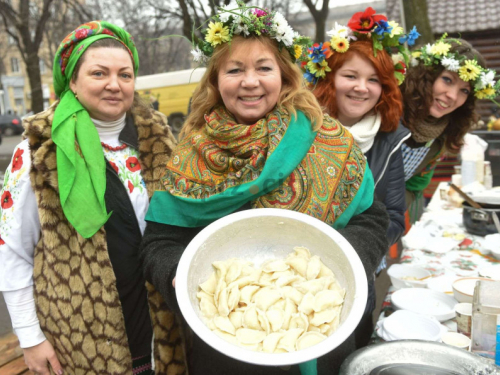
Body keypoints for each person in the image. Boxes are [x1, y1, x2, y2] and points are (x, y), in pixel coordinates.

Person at [141, 5, 389, 375]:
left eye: (263, 67)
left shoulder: (331, 141)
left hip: (321, 333)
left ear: (285, 77)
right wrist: (179, 273)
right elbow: (158, 243)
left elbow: (373, 217)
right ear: (215, 80)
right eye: (235, 69)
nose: (250, 81)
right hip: (229, 342)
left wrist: (338, 262)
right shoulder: (191, 153)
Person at [0, 21, 186, 375]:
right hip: (82, 339)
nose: (114, 85)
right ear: (72, 81)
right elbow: (10, 250)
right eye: (99, 73)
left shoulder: (161, 144)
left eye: (125, 75)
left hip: (162, 331)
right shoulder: (38, 153)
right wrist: (29, 337)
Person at [305, 8, 415, 348]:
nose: (361, 88)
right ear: (329, 78)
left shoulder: (390, 139)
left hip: (355, 270)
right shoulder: (301, 130)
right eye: (350, 76)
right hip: (296, 265)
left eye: (373, 80)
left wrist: (354, 252)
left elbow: (395, 215)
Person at [401, 36, 498, 212]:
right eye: (447, 80)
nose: (452, 96)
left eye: (464, 90)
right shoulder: (389, 110)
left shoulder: (440, 136)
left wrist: (388, 220)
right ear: (428, 75)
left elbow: (414, 186)